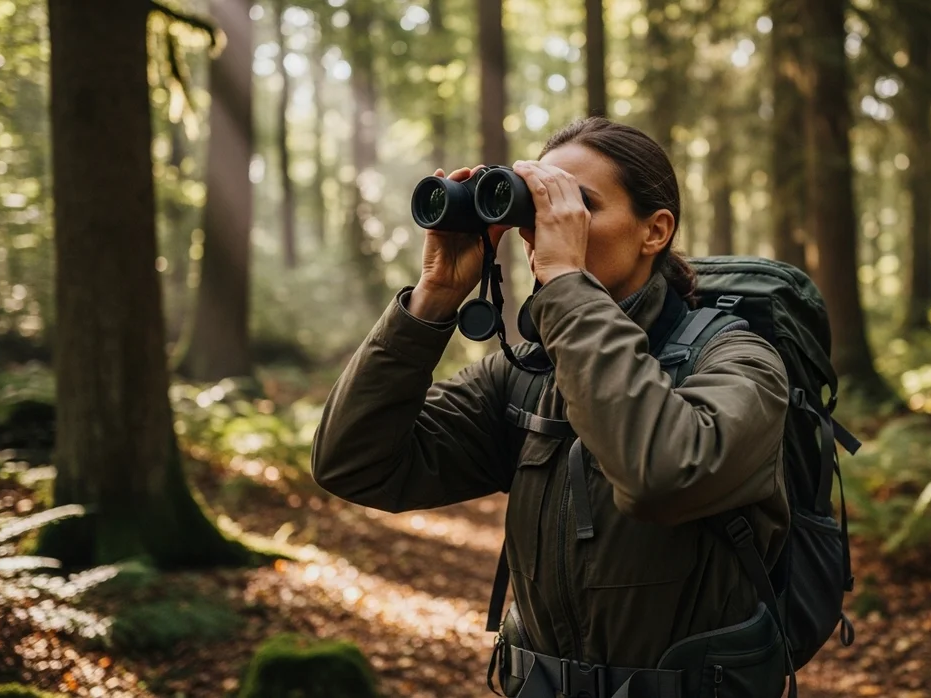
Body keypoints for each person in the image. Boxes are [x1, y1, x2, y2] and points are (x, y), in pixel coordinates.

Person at [312, 117, 792, 697]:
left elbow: (661, 475)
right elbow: (354, 463)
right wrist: (433, 297)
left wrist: (566, 282)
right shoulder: (527, 375)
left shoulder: (738, 361)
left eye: (578, 204)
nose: (550, 227)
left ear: (654, 231)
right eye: (542, 205)